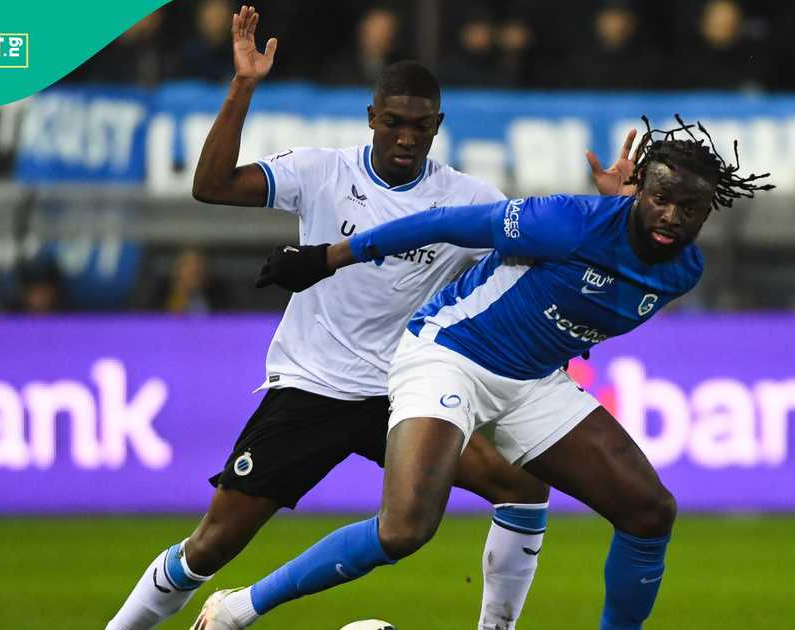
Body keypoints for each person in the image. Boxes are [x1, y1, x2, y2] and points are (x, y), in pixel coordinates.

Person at [105, 6, 645, 629]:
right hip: (313, 386)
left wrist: (612, 218)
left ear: (438, 126)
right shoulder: (320, 171)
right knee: (211, 547)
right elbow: (212, 184)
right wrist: (244, 84)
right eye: (393, 122)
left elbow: (548, 254)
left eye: (420, 126)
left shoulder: (470, 200)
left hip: (407, 389)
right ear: (371, 118)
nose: (406, 137)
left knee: (521, 487)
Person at [201, 117, 773, 629]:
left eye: (688, 207)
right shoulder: (565, 223)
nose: (671, 216)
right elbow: (446, 222)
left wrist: (621, 215)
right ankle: (239, 607)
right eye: (659, 198)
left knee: (650, 511)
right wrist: (327, 257)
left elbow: (593, 299)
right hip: (450, 355)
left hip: (531, 382)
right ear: (641, 190)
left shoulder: (684, 270)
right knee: (404, 530)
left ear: (709, 210)